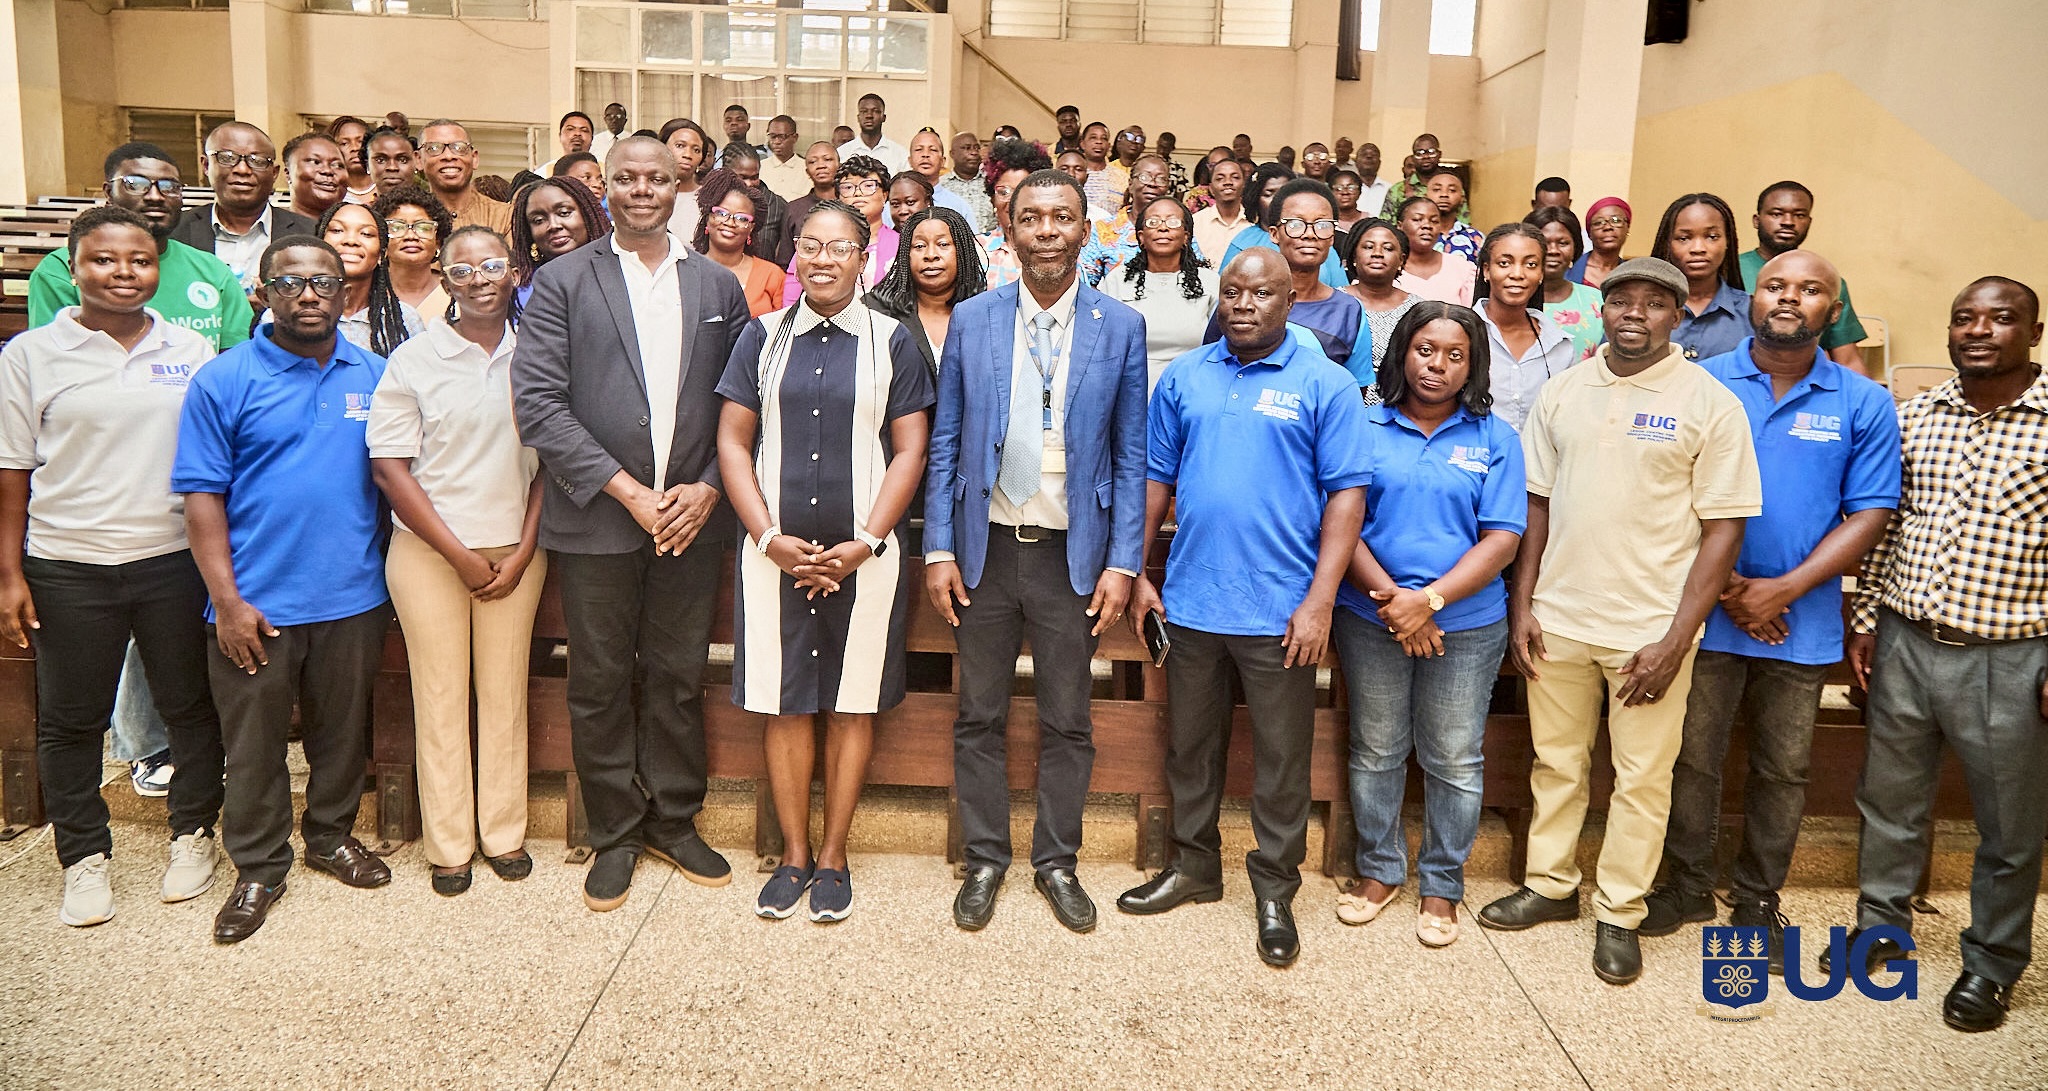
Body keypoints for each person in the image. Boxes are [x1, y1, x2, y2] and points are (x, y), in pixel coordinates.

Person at [1479, 256, 1761, 987]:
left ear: (1678, 316)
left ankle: (1620, 911)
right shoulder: (1565, 391)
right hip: (1560, 617)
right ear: (1599, 310)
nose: (1635, 312)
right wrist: (1524, 603)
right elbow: (1536, 504)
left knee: (1641, 777)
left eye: (1655, 303)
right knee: (1556, 763)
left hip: (1649, 629)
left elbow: (1725, 529)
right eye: (1622, 300)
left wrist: (1676, 638)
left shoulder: (1710, 402)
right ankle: (1550, 884)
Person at [511, 136, 750, 913]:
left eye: (657, 178)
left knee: (678, 676)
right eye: (626, 178)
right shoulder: (561, 281)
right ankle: (614, 829)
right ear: (603, 188)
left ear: (680, 186)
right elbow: (538, 404)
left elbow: (743, 403)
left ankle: (674, 819)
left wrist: (708, 488)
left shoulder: (717, 284)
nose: (642, 189)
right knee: (600, 680)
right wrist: (629, 493)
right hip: (598, 520)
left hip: (691, 519)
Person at [1644, 250, 1899, 971]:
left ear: (1833, 310)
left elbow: (1870, 512)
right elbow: (1666, 491)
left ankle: (1758, 895)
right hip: (1702, 608)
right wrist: (1732, 589)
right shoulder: (1698, 381)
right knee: (1692, 756)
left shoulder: (1863, 400)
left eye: (1810, 289)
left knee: (1783, 768)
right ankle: (1688, 883)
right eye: (1776, 285)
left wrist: (1781, 589)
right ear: (1750, 298)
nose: (1789, 298)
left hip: (1801, 618)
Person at [1120, 248, 1372, 968]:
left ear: (1290, 301)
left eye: (1261, 294)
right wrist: (1136, 570)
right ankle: (1194, 868)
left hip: (1282, 610)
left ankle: (1274, 889)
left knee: (1282, 758)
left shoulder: (1325, 383)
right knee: (1190, 747)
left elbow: (1347, 497)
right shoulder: (1185, 377)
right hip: (1192, 601)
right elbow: (1156, 480)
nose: (1243, 305)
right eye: (1231, 292)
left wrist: (1319, 600)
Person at [925, 168, 1148, 935]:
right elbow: (946, 440)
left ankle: (1057, 861)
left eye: (1061, 217)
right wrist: (938, 546)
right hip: (984, 549)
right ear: (1010, 230)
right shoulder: (974, 318)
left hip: (1071, 556)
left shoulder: (1121, 327)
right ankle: (985, 857)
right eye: (1032, 217)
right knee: (978, 714)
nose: (1046, 230)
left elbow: (1131, 454)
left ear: (1084, 230)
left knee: (1068, 719)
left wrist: (1123, 561)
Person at [1, 207, 228, 927]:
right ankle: (83, 855)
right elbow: (11, 470)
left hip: (171, 558)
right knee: (72, 719)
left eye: (139, 260)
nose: (123, 273)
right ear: (73, 268)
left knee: (189, 707)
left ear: (157, 268)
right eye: (104, 259)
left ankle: (193, 832)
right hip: (69, 561)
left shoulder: (189, 348)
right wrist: (10, 574)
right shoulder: (32, 354)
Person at [174, 235, 397, 943]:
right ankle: (260, 866)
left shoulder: (377, 374)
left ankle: (329, 836)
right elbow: (201, 497)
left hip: (354, 594)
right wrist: (227, 602)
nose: (308, 295)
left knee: (341, 735)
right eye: (291, 282)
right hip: (255, 601)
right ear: (263, 292)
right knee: (253, 745)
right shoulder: (223, 379)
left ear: (345, 292)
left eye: (324, 283)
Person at [715, 200, 934, 923]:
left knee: (850, 700)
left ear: (864, 258)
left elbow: (910, 450)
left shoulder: (892, 340)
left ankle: (835, 856)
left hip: (865, 556)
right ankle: (793, 855)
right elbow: (732, 442)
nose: (823, 259)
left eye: (840, 248)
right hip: (771, 553)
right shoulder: (762, 335)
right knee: (785, 702)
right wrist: (766, 536)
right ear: (794, 255)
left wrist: (866, 540)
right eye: (810, 245)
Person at [1845, 276, 2047, 1034]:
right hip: (1906, 640)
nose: (1979, 330)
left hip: (2012, 655)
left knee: (2009, 828)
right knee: (1889, 804)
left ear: (2034, 332)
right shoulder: (1917, 416)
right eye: (1965, 318)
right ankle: (1879, 931)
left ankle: (1992, 963)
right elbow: (1887, 525)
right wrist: (1866, 619)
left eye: (2001, 318)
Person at [1331, 302, 1525, 947]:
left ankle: (1442, 883)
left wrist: (1431, 602)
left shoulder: (1495, 438)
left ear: (1473, 366)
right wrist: (1397, 603)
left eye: (1454, 355)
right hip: (1372, 616)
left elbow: (1503, 539)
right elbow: (1342, 521)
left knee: (1454, 757)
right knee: (1376, 749)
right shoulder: (1364, 425)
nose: (1437, 365)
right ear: (1402, 354)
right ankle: (1380, 870)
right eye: (1424, 349)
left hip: (1465, 625)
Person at [368, 225, 544, 896]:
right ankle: (449, 843)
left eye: (491, 265)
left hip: (516, 551)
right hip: (429, 552)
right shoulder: (413, 360)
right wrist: (459, 555)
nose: (478, 279)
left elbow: (552, 465)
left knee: (504, 693)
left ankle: (502, 831)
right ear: (445, 281)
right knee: (440, 696)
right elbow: (390, 468)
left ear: (513, 272)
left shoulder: (538, 353)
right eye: (462, 270)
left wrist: (525, 548)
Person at [29, 142, 252, 352]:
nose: (155, 196)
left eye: (169, 187)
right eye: (136, 184)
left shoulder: (212, 270)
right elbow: (54, 359)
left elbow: (236, 359)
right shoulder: (62, 269)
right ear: (109, 192)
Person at [1208, 178, 1371, 386]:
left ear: (1332, 237)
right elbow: (1209, 370)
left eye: (1322, 225)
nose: (1310, 235)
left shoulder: (1348, 311)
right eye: (1295, 224)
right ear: (1274, 234)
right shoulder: (1240, 303)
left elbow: (1355, 390)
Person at [172, 122, 316, 296]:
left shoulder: (310, 234)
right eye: (227, 158)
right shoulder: (174, 231)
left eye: (257, 161)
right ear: (206, 165)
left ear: (274, 173)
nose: (242, 169)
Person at [1739, 181, 1870, 371]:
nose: (1788, 222)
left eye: (1799, 215)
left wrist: (1868, 391)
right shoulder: (1729, 271)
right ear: (1756, 220)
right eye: (1776, 214)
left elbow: (1848, 359)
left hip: (1805, 380)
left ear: (1809, 222)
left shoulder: (1826, 281)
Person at [1102, 196, 1218, 393]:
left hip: (1193, 390)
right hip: (1129, 391)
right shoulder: (1117, 280)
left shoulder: (1210, 282)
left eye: (1173, 222)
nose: (1163, 228)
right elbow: (1104, 344)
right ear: (1141, 237)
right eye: (1153, 222)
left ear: (1186, 236)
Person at [1474, 223, 1577, 432]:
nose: (1517, 274)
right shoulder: (1461, 335)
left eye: (1530, 264)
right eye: (1504, 263)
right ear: (1486, 270)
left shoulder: (1560, 347)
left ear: (1541, 274)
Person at [864, 206, 985, 374]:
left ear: (963, 251)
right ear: (905, 254)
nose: (931, 255)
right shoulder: (875, 311)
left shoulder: (986, 312)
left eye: (943, 244)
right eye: (919, 246)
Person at [313, 201, 422, 356]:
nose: (351, 240)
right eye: (337, 230)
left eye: (366, 234)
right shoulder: (291, 311)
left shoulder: (405, 319)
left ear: (382, 254)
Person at [783, 155, 896, 305]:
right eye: (848, 187)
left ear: (884, 195)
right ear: (838, 198)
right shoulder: (815, 242)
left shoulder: (900, 244)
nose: (858, 193)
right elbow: (794, 287)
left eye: (868, 186)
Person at [1651, 192, 1750, 361]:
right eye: (1684, 238)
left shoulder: (1751, 312)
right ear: (1667, 243)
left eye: (1712, 237)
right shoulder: (1639, 309)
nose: (1698, 248)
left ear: (1728, 241)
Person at [1219, 168, 1348, 292]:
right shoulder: (1243, 242)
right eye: (1269, 194)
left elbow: (1341, 289)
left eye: (1284, 192)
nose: (1277, 199)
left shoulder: (1320, 242)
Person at [691, 167, 783, 318]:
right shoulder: (687, 270)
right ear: (707, 219)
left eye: (742, 218)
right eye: (721, 213)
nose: (730, 222)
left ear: (751, 228)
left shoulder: (772, 275)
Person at [510, 174, 609, 311]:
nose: (553, 225)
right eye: (538, 220)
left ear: (588, 214)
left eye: (564, 213)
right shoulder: (521, 290)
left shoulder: (620, 272)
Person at [1339, 217, 1421, 376]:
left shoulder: (1417, 310)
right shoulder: (1332, 301)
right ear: (1354, 257)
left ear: (1401, 260)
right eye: (1368, 247)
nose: (1377, 254)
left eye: (1388, 248)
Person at [1525, 205, 1605, 362]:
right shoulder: (1513, 300)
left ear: (1575, 248)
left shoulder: (1597, 300)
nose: (1553, 250)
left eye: (1563, 243)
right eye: (1544, 243)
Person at [375, 184, 456, 321]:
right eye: (397, 227)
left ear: (438, 240)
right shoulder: (368, 292)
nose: (410, 236)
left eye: (423, 228)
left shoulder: (455, 291)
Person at [417, 120, 512, 236]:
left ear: (474, 158)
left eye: (459, 148)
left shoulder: (505, 216)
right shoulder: (409, 219)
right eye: (434, 148)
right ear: (418, 159)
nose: (448, 156)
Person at [1392, 196, 1475, 305]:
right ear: (1400, 226)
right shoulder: (1389, 268)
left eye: (1434, 221)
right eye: (1417, 219)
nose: (1427, 226)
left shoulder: (1462, 268)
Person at [719, 144, 789, 269]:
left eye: (754, 177)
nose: (749, 184)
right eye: (743, 177)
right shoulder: (715, 202)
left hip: (762, 277)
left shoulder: (778, 207)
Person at [1379, 133, 1465, 221]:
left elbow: (1464, 224)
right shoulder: (1397, 190)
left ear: (1439, 154)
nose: (1426, 157)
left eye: (1431, 152)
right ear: (1413, 158)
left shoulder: (1452, 189)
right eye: (1419, 153)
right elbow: (1385, 225)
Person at [901, 128, 976, 226]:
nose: (925, 155)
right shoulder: (895, 206)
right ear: (910, 160)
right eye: (919, 149)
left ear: (942, 161)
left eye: (933, 150)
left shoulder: (959, 206)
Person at [659, 118, 714, 241]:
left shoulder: (710, 199)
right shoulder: (647, 194)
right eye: (680, 146)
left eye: (696, 150)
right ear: (662, 148)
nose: (688, 155)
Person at [1190, 157, 1251, 265]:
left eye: (1235, 177)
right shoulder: (1195, 222)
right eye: (1220, 178)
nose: (1228, 182)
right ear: (1211, 189)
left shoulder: (1254, 222)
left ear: (1244, 186)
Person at [283, 132, 348, 223]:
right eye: (315, 162)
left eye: (337, 165)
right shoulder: (271, 226)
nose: (327, 171)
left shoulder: (362, 225)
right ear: (288, 173)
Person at [838, 93, 908, 177]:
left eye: (875, 111)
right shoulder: (842, 153)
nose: (869, 115)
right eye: (864, 111)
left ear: (884, 117)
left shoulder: (900, 154)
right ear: (858, 117)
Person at [938, 131, 996, 233]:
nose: (974, 152)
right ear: (952, 153)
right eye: (967, 148)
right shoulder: (941, 186)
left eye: (976, 148)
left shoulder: (991, 182)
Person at [787, 141, 840, 246]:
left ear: (840, 166)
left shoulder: (852, 204)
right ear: (807, 172)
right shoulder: (794, 209)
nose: (821, 165)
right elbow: (786, 254)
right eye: (813, 162)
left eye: (827, 159)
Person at [1571, 197, 1629, 288]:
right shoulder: (1568, 273)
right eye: (1598, 223)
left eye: (1616, 220)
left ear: (1627, 228)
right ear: (1589, 233)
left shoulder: (1632, 274)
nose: (1608, 227)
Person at [1427, 169, 1483, 260]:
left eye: (1452, 190)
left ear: (1462, 198)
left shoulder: (1475, 237)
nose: (1444, 194)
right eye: (1437, 189)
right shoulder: (1415, 235)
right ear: (1426, 196)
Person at [327, 116, 378, 205]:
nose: (355, 148)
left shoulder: (387, 186)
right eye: (344, 143)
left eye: (361, 141)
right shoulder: (329, 192)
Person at [760, 114, 809, 202]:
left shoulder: (807, 168)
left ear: (795, 137)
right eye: (772, 136)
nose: (777, 142)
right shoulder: (760, 168)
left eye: (782, 137)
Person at [366, 127, 420, 199]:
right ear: (367, 165)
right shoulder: (361, 207)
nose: (392, 167)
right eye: (380, 160)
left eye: (403, 160)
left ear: (416, 161)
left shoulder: (431, 205)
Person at [537, 111, 594, 176]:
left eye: (584, 130)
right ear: (560, 136)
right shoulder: (544, 173)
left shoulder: (602, 170)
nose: (577, 133)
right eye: (570, 129)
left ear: (592, 138)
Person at [1078, 123, 1115, 212]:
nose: (1099, 142)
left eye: (1104, 138)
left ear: (1109, 145)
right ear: (1082, 144)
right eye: (1093, 137)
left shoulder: (1121, 177)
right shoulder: (1074, 173)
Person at [1352, 142, 1389, 219]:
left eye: (1373, 155)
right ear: (1356, 162)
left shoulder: (1389, 189)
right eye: (1364, 154)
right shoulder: (1348, 190)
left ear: (1379, 163)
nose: (1369, 157)